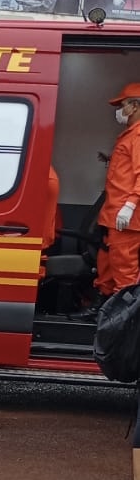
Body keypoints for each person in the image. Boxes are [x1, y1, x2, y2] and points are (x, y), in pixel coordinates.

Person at [82, 83, 140, 321]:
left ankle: (121, 323)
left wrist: (131, 205)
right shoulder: (130, 135)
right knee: (106, 262)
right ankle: (102, 305)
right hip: (113, 217)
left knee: (124, 271)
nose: (118, 110)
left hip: (127, 219)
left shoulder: (138, 135)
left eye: (122, 105)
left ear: (135, 106)